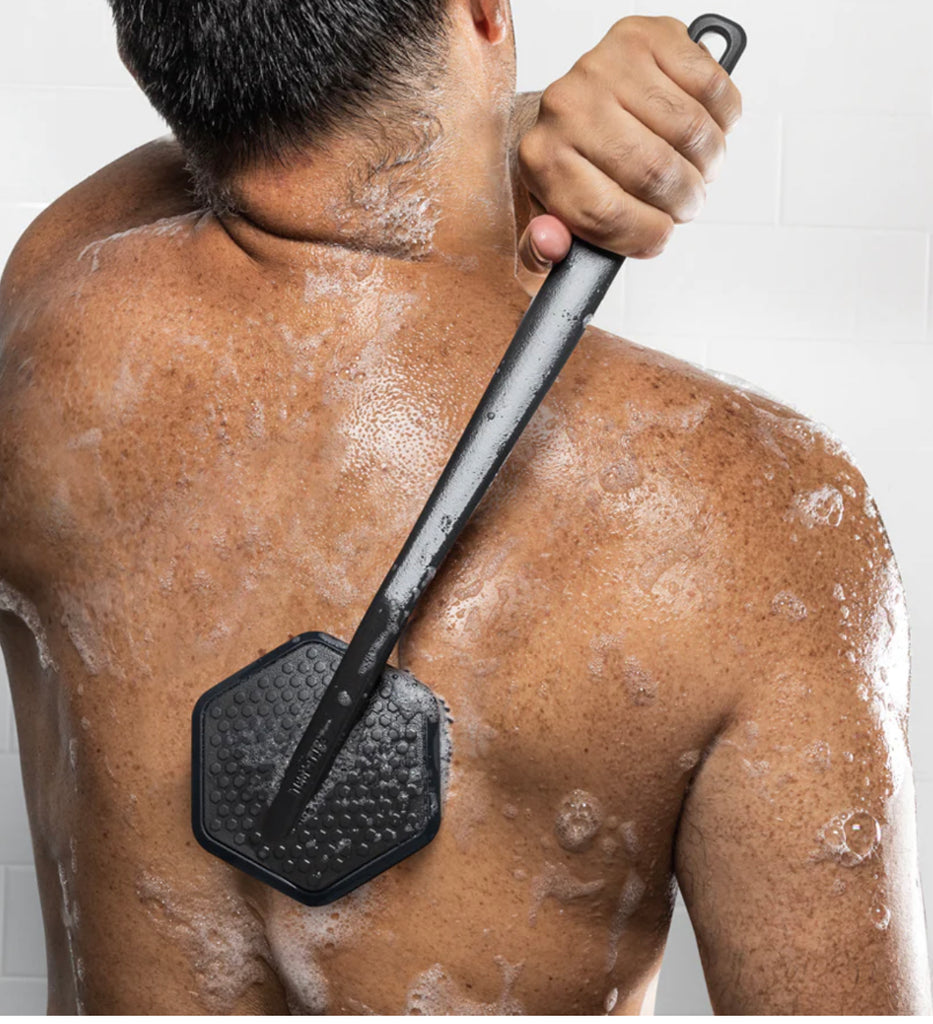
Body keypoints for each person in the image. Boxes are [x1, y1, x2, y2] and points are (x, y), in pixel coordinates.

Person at [0, 0, 928, 1013]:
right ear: (484, 12)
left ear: (144, 46)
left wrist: (511, 124)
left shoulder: (43, 330)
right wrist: (506, 123)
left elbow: (194, 162)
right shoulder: (760, 518)